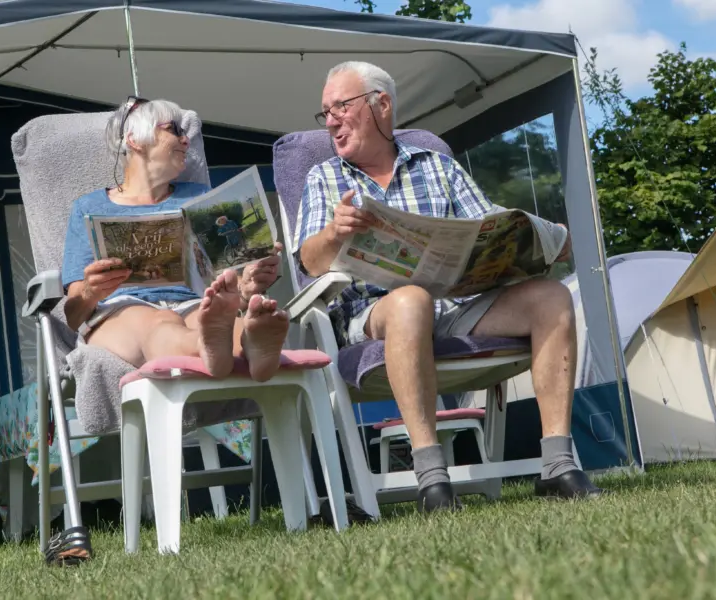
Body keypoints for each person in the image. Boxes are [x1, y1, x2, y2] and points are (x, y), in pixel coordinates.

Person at [293, 61, 605, 514]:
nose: (332, 121)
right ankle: (432, 479)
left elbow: (485, 225)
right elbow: (307, 262)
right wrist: (334, 235)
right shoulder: (325, 178)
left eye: (341, 106)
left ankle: (557, 463)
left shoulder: (438, 167)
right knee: (410, 299)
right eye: (326, 113)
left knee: (552, 296)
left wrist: (538, 240)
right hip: (376, 316)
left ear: (381, 105)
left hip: (455, 307)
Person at [61, 97, 287, 382]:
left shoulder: (199, 197)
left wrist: (248, 284)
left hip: (195, 303)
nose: (185, 140)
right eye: (173, 130)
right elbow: (71, 315)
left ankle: (253, 341)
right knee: (161, 322)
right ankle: (208, 344)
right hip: (122, 310)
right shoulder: (89, 208)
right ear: (134, 139)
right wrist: (90, 292)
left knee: (210, 314)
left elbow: (223, 275)